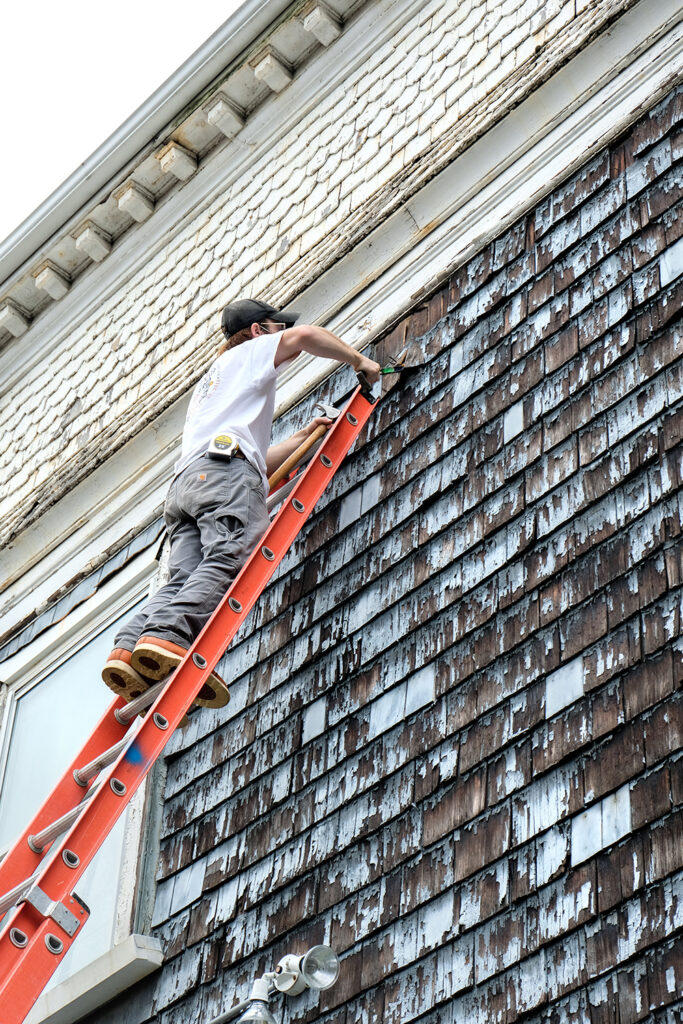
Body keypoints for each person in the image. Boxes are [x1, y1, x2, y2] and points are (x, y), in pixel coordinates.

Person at [102, 298, 380, 709]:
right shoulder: (250, 353)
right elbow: (305, 337)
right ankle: (170, 636)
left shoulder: (213, 382)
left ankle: (129, 649)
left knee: (182, 578)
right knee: (232, 553)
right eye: (274, 327)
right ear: (257, 331)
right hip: (221, 475)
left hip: (188, 486)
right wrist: (361, 361)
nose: (279, 334)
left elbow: (248, 457)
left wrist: (303, 437)